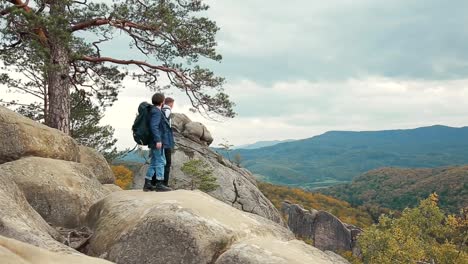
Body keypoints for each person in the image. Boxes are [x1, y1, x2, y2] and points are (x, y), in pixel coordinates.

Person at [144, 93, 172, 192]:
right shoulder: (156, 112)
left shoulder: (153, 110)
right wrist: (158, 140)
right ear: (162, 101)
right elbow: (154, 126)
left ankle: (148, 183)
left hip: (154, 141)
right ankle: (160, 183)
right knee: (161, 161)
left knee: (154, 162)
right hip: (157, 141)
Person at [161, 97, 175, 187]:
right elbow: (166, 127)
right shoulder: (167, 111)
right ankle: (164, 183)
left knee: (159, 161)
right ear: (171, 103)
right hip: (165, 141)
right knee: (167, 162)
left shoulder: (161, 110)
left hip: (161, 140)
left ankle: (155, 182)